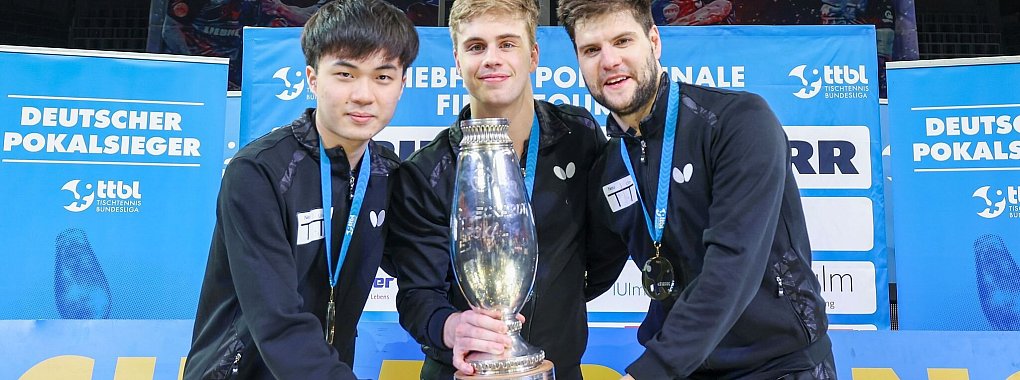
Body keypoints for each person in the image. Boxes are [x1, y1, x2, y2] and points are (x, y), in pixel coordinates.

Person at [557, 0, 837, 379]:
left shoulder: (738, 123)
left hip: (779, 364)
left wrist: (651, 371)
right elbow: (584, 272)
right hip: (686, 369)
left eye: (623, 41)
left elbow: (733, 266)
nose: (609, 61)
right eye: (592, 50)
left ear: (654, 42)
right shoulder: (609, 166)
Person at [385, 0, 627, 378]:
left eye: (507, 44)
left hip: (557, 369)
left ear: (533, 55)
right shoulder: (426, 172)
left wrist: (561, 296)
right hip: (463, 373)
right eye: (476, 46)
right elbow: (418, 294)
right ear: (457, 59)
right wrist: (450, 327)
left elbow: (606, 248)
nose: (492, 59)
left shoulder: (578, 137)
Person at [183, 0, 418, 378]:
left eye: (383, 77)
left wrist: (453, 328)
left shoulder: (388, 175)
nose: (363, 94)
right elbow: (278, 320)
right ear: (312, 78)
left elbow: (422, 273)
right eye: (345, 74)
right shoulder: (259, 172)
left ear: (401, 84)